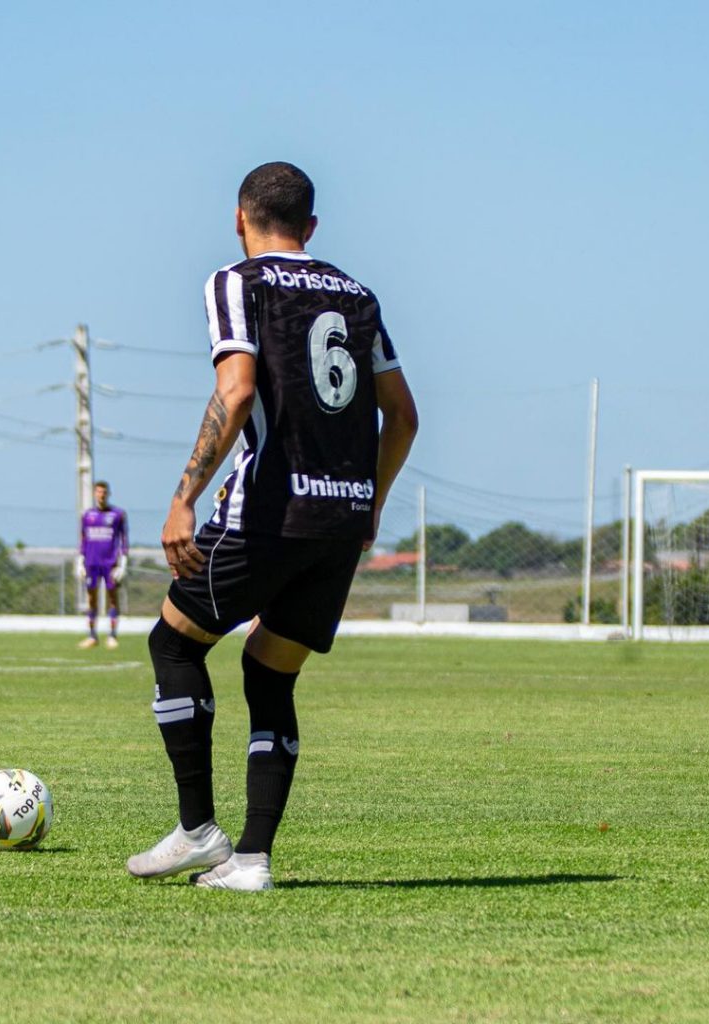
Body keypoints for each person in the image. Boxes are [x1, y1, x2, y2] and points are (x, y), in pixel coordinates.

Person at [127, 161, 418, 891]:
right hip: (341, 515)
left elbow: (237, 388)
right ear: (311, 227)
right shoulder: (358, 296)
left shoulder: (236, 282)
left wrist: (183, 497)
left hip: (269, 509)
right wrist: (372, 502)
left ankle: (198, 831)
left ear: (239, 218)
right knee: (268, 670)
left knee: (173, 642)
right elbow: (404, 416)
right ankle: (252, 860)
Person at [77, 480, 128, 650]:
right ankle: (92, 636)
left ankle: (112, 635)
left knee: (112, 597)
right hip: (92, 563)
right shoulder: (87, 515)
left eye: (104, 492)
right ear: (94, 493)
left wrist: (123, 564)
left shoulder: (117, 515)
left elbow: (123, 540)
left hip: (110, 563)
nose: (101, 495)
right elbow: (83, 539)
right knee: (91, 598)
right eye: (98, 492)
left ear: (108, 494)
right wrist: (80, 561)